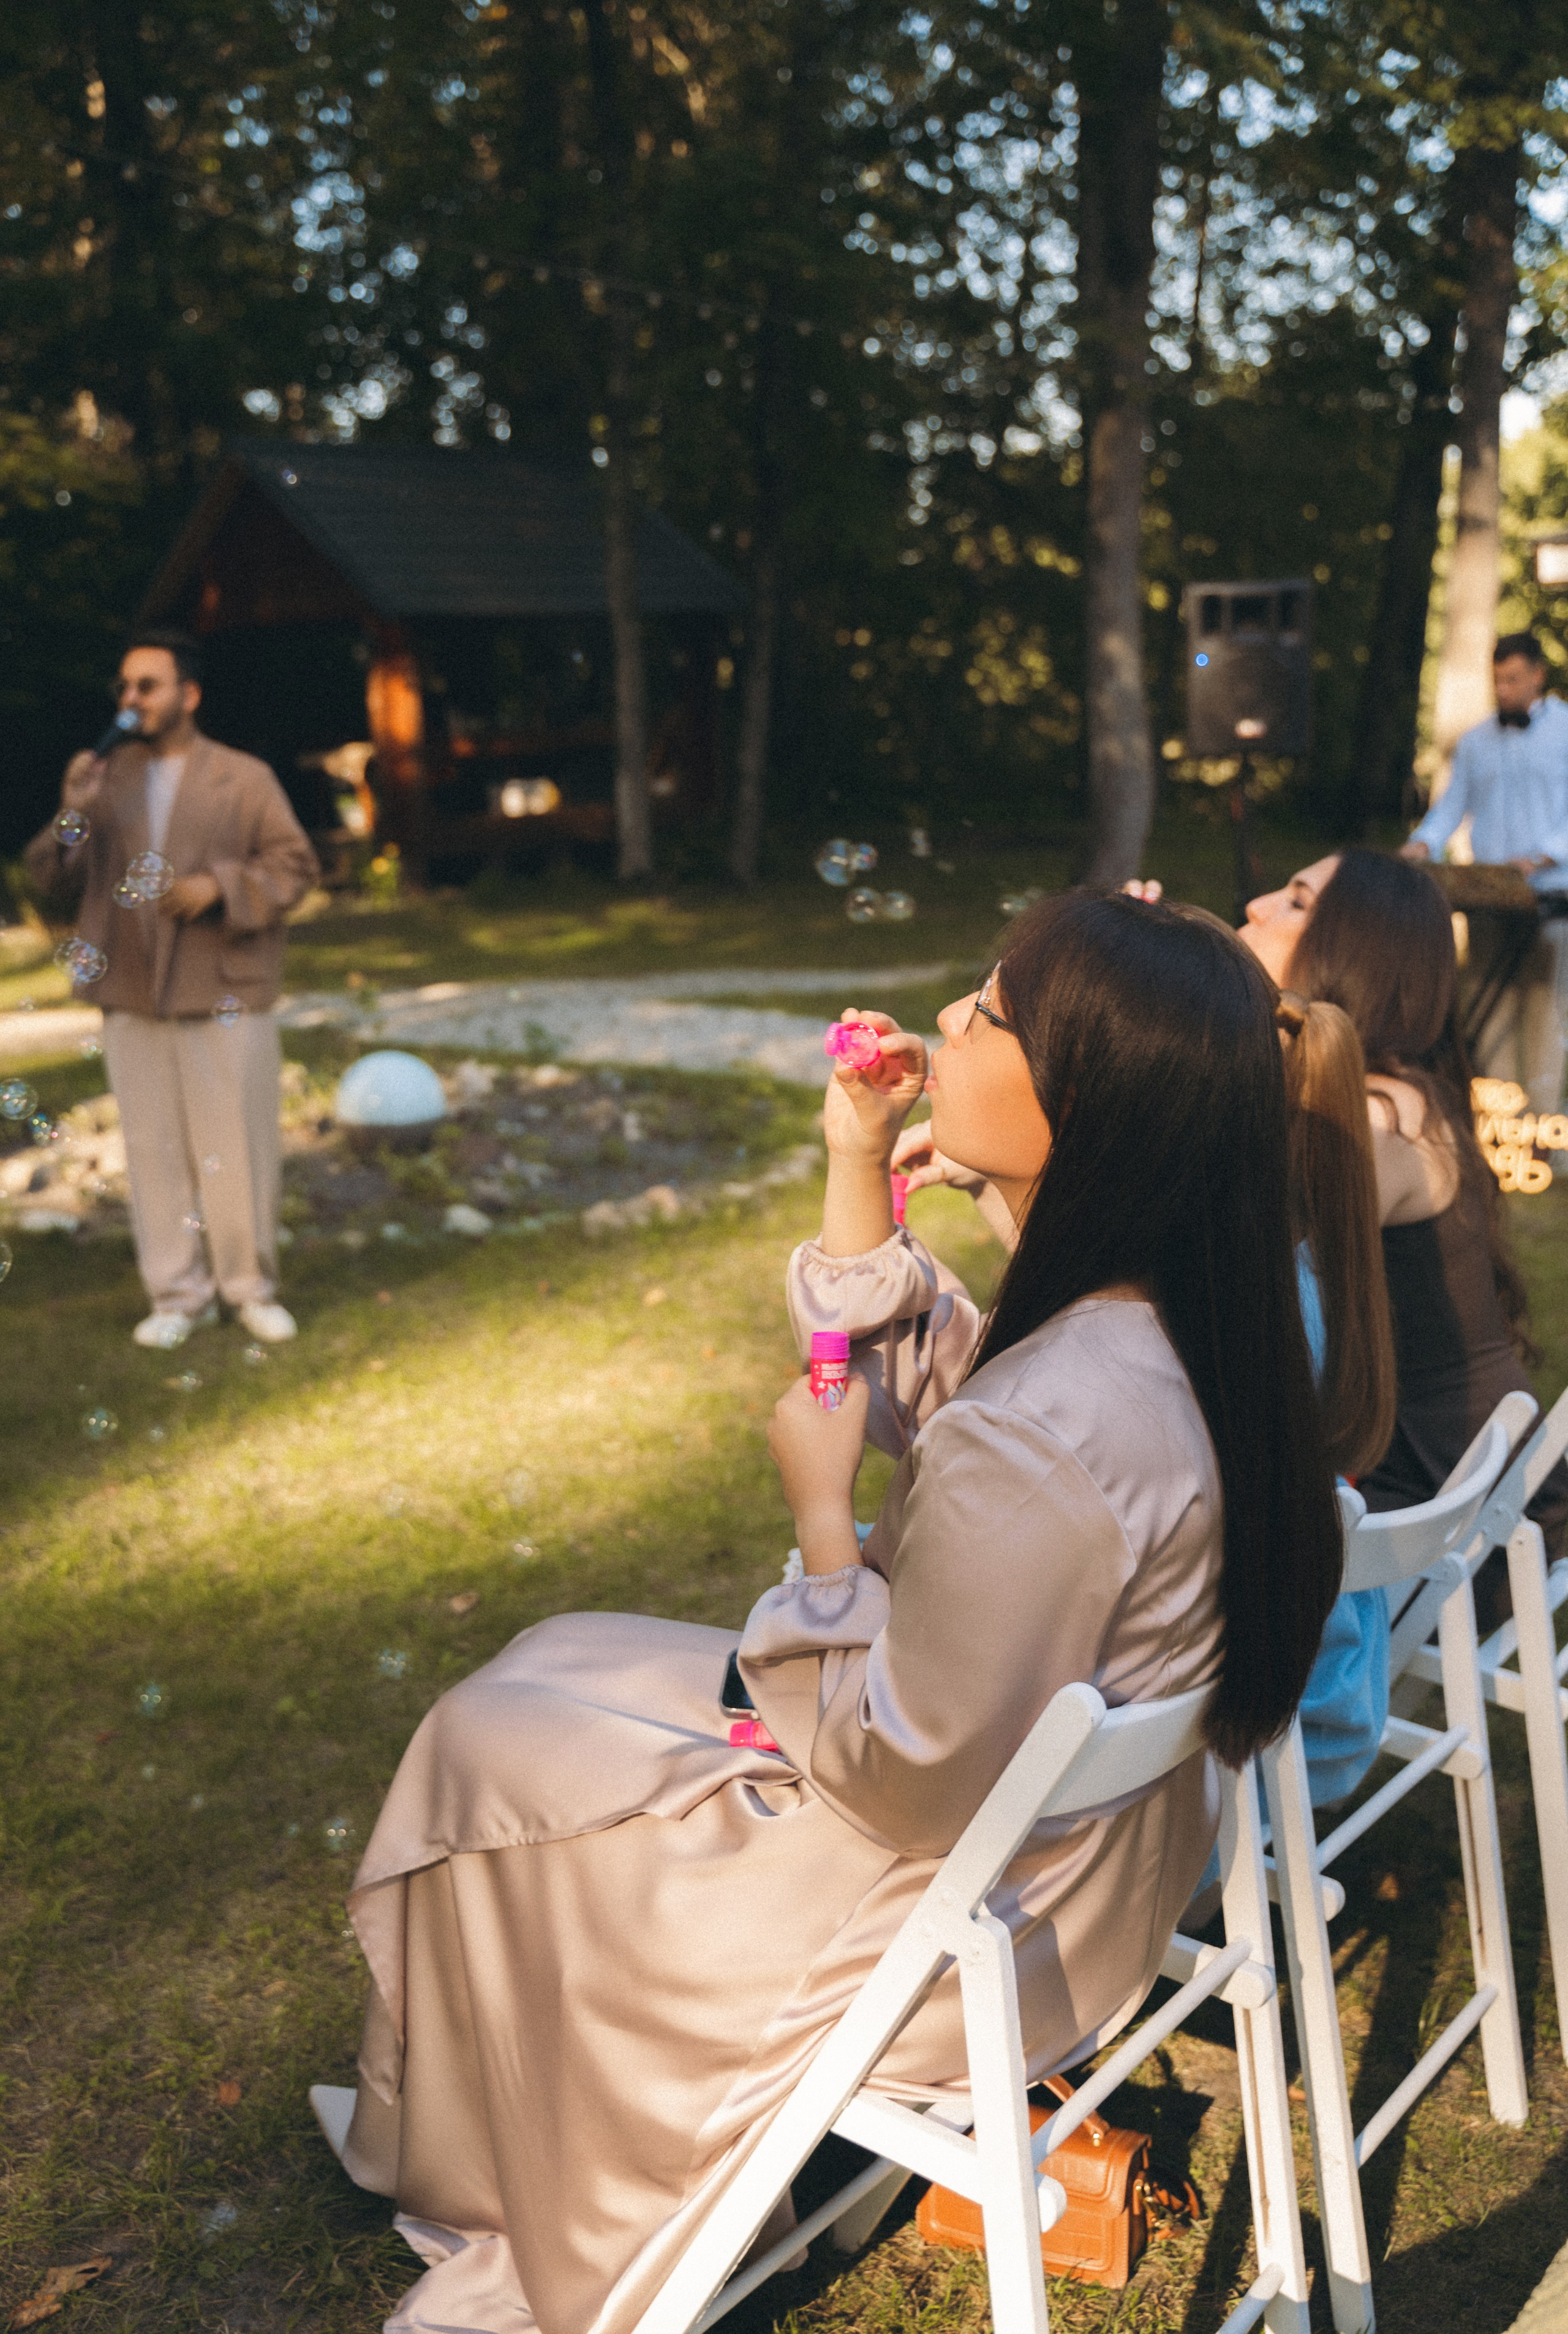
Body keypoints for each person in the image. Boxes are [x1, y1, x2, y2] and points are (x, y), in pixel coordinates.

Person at [320, 893, 1341, 2334]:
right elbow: (951, 1391)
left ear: (1078, 1103)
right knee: (553, 1657)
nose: (942, 1023)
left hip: (949, 1908)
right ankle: (481, 2115)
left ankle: (496, 2149)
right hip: (1085, 1865)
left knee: (487, 1735)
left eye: (984, 1011)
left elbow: (902, 1765)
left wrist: (819, 1517)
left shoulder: (1054, 1423)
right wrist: (854, 1162)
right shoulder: (1170, 1320)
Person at [898, 975, 1398, 1809]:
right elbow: (1088, 1272)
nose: (954, 1018)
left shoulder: (1149, 1371)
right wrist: (995, 1181)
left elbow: (916, 1757)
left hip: (1215, 1775)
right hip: (1273, 1717)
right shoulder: (1258, 1292)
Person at [1241, 845, 1566, 1598]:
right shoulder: (1392, 1092)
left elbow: (1196, 1280)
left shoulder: (1367, 1121)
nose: (1256, 905)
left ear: (1351, 953)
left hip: (1453, 1533)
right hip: (1481, 1499)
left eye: (1293, 900)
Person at [24, 630, 319, 1348]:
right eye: (124, 688)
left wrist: (216, 886)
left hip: (221, 987)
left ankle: (248, 1289)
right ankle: (175, 1295)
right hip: (131, 991)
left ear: (189, 694)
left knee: (238, 1145)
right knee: (152, 1148)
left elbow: (294, 864)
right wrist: (72, 807)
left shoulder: (243, 778)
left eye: (146, 686)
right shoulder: (104, 779)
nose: (131, 700)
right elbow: (48, 876)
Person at [1400, 630, 1568, 1119]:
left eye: (1514, 679)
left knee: (1543, 1009)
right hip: (1490, 893)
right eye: (1498, 680)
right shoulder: (1476, 741)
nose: (1505, 690)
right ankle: (1496, 1121)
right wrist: (1423, 843)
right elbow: (1452, 806)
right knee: (1487, 1005)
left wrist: (1545, 855)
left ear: (1538, 675)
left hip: (1552, 894)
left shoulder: (1565, 730)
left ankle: (1540, 1129)